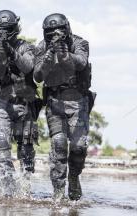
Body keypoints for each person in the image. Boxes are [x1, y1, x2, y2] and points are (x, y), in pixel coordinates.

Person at [34, 13, 94, 201]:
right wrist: (50, 53)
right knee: (58, 146)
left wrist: (63, 52)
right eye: (50, 33)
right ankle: (58, 192)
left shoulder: (80, 43)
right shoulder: (42, 47)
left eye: (57, 32)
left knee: (78, 147)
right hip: (54, 102)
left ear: (67, 29)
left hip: (78, 101)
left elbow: (80, 63)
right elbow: (37, 76)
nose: (55, 36)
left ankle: (74, 177)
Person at [0, 10, 42, 195]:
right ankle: (9, 189)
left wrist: (11, 51)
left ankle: (25, 189)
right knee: (0, 145)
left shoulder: (27, 47)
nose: (3, 34)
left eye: (6, 30)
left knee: (25, 150)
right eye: (0, 30)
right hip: (2, 103)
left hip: (24, 104)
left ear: (14, 28)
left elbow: (29, 67)